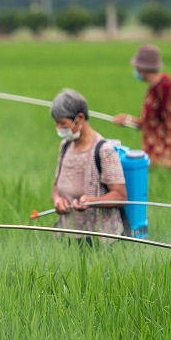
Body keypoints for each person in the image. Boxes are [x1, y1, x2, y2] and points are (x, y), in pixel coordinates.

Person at [49, 89, 128, 245]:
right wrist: (58, 200)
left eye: (63, 123)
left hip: (98, 240)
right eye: (56, 123)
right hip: (68, 234)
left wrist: (92, 201)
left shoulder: (103, 150)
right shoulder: (65, 146)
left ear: (79, 118)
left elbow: (120, 196)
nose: (59, 128)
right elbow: (56, 187)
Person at [112, 44, 171, 169]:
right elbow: (150, 122)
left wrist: (168, 156)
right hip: (151, 156)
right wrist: (127, 120)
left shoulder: (166, 87)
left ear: (142, 67)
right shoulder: (154, 87)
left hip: (164, 159)